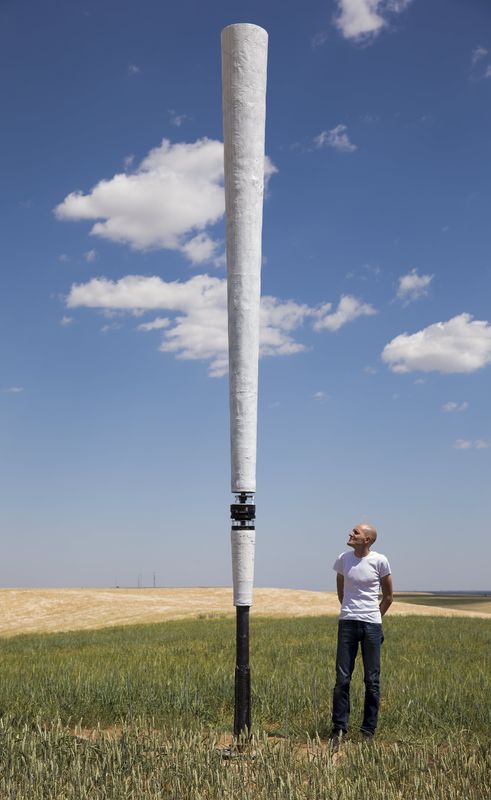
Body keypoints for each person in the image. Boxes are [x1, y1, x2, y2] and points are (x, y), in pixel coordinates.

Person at [330, 523, 393, 746]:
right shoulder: (343, 559)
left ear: (367, 539)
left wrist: (374, 617)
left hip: (371, 626)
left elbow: (388, 597)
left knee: (372, 680)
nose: (350, 534)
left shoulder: (380, 561)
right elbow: (341, 591)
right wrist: (350, 610)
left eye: (356, 532)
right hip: (347, 622)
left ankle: (368, 732)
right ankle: (339, 729)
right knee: (342, 679)